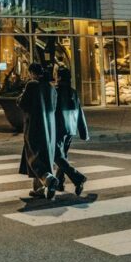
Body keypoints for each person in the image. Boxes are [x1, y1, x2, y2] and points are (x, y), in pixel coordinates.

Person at [17, 63, 59, 199]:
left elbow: (22, 103)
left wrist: (20, 96)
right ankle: (39, 189)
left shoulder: (32, 85)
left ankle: (47, 179)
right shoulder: (51, 88)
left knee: (33, 155)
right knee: (44, 155)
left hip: (34, 124)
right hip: (50, 126)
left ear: (32, 73)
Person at [54, 67, 88, 196]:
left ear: (60, 77)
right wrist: (83, 131)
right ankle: (59, 182)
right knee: (63, 156)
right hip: (70, 128)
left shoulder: (56, 91)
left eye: (57, 75)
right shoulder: (73, 92)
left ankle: (78, 178)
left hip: (58, 127)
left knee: (56, 156)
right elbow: (79, 111)